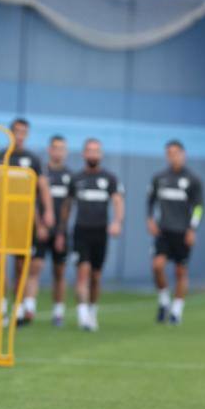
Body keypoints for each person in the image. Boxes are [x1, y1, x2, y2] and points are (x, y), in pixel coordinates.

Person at [57, 138, 124, 331]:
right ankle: (83, 315)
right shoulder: (76, 179)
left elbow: (118, 201)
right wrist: (61, 231)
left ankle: (92, 311)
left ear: (100, 154)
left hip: (100, 233)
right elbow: (67, 206)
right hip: (81, 232)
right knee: (82, 273)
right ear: (83, 153)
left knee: (96, 276)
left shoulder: (109, 178)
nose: (93, 154)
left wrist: (117, 222)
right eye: (90, 150)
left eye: (96, 151)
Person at [0, 118, 54, 326]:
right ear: (10, 133)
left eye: (23, 132)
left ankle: (18, 309)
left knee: (21, 266)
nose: (19, 136)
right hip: (0, 219)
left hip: (24, 220)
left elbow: (43, 187)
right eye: (16, 131)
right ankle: (0, 308)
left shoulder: (32, 159)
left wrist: (48, 212)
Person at [147, 140, 204, 325]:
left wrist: (192, 229)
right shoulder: (159, 178)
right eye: (169, 153)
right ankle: (164, 300)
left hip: (182, 232)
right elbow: (150, 201)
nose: (172, 156)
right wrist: (150, 219)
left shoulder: (193, 180)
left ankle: (176, 311)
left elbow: (198, 207)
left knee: (180, 271)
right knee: (157, 266)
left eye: (175, 153)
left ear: (183, 154)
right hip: (163, 231)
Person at [29, 135, 72, 326]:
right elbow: (32, 201)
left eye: (62, 148)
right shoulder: (41, 173)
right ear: (49, 150)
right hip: (40, 230)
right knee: (34, 268)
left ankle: (58, 312)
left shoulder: (70, 176)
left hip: (60, 231)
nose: (58, 151)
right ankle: (28, 309)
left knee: (59, 271)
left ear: (66, 152)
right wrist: (39, 226)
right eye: (55, 147)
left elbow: (68, 207)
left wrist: (61, 232)